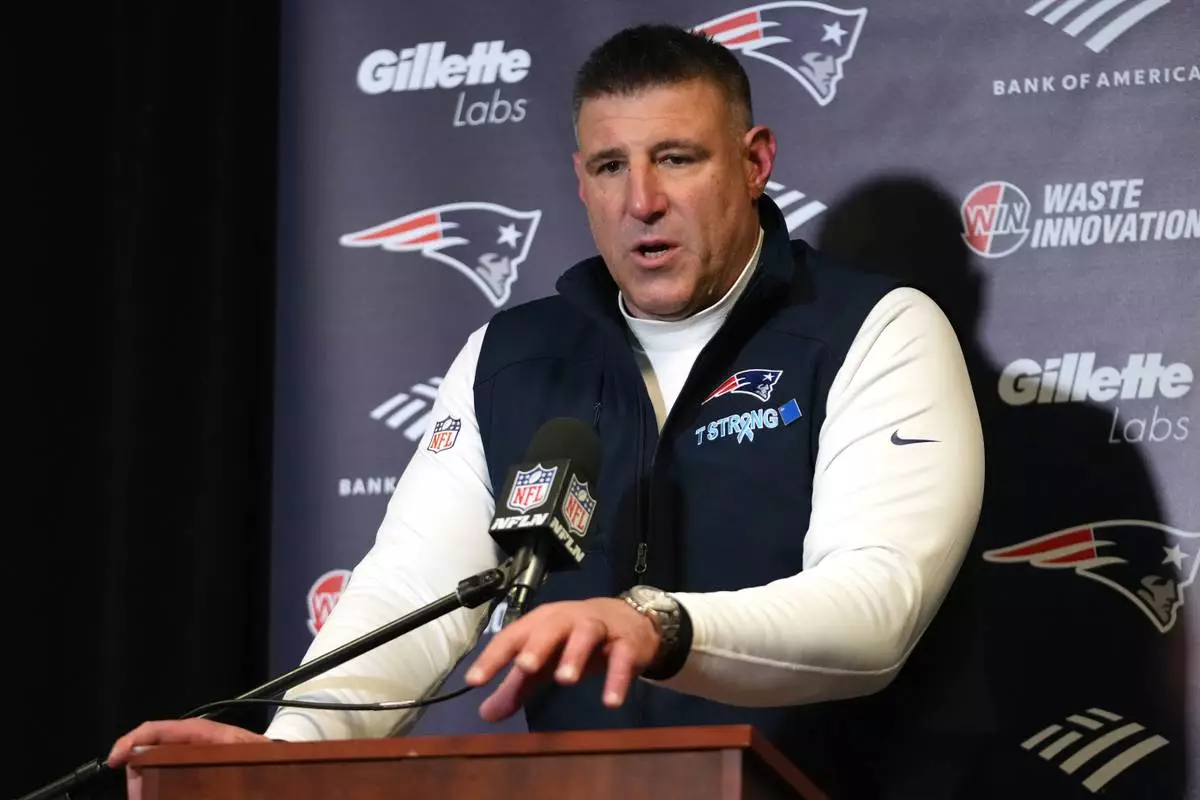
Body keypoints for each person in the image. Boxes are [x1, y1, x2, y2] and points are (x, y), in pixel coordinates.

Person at [108, 23, 985, 798]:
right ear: (580, 179)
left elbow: (877, 607)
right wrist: (292, 746)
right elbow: (415, 586)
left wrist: (655, 624)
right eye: (610, 166)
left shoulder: (874, 329)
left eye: (677, 158)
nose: (642, 200)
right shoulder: (511, 357)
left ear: (755, 163)